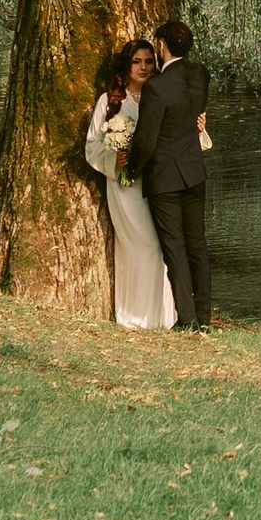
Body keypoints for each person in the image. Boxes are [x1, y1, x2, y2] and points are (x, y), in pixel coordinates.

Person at [83, 40, 176, 331]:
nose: (143, 68)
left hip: (159, 185)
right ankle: (135, 315)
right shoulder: (110, 101)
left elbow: (178, 135)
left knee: (161, 246)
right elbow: (92, 145)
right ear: (127, 65)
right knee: (140, 246)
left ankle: (162, 315)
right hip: (125, 187)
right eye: (137, 62)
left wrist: (198, 129)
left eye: (149, 61)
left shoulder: (161, 95)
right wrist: (116, 157)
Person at [135, 18, 213, 331]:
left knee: (175, 249)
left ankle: (187, 319)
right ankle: (204, 317)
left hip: (164, 175)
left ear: (161, 46)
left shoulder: (156, 87)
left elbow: (146, 139)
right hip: (194, 171)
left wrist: (131, 169)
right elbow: (192, 116)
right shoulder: (200, 75)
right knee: (197, 244)